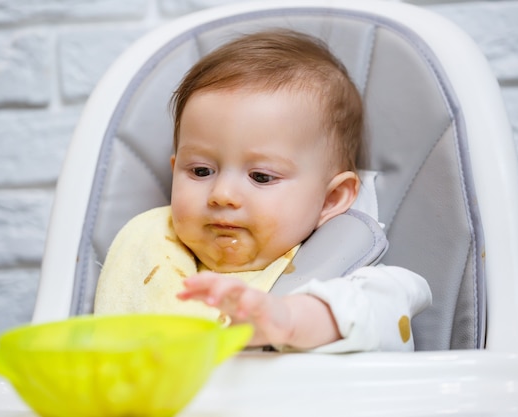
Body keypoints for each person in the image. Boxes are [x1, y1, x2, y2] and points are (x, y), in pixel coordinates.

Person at [94, 29, 431, 353]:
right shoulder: (150, 252)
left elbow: (388, 310)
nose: (222, 194)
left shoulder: (352, 276)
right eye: (200, 171)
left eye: (261, 176)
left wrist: (288, 320)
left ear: (331, 199)